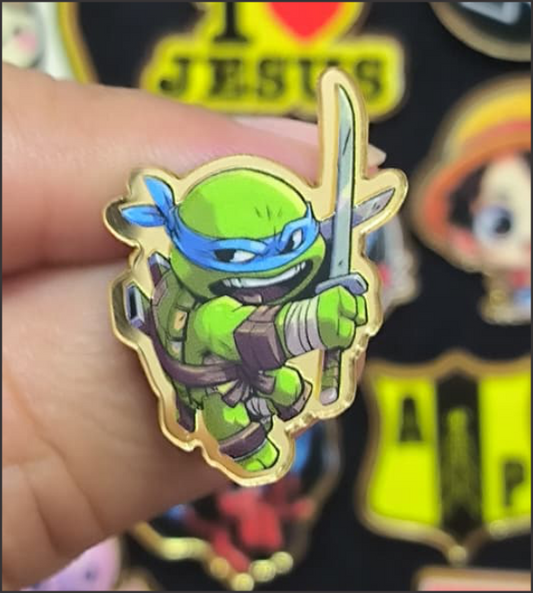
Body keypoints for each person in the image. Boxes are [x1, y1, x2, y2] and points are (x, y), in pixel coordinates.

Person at [2, 63, 383, 590]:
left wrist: (332, 301)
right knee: (245, 433)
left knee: (290, 390)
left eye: (295, 243)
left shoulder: (261, 278)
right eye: (243, 256)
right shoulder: (209, 311)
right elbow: (261, 335)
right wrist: (319, 320)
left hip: (256, 373)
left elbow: (286, 299)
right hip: (214, 389)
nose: (278, 264)